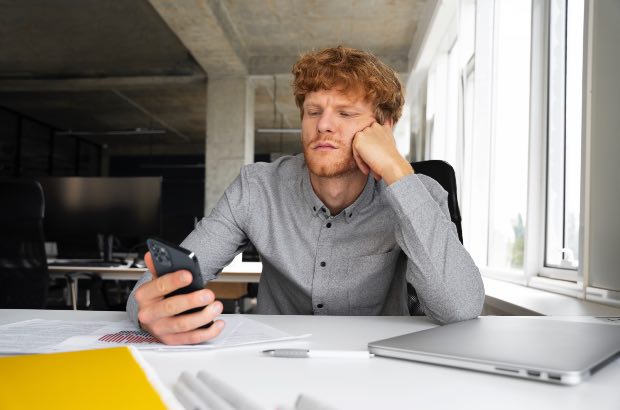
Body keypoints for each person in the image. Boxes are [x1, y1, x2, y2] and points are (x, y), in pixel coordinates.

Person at [127, 46, 485, 345]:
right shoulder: (257, 188)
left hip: (378, 365)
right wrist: (150, 313)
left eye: (345, 113)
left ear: (384, 128)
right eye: (313, 111)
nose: (323, 125)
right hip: (276, 361)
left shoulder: (420, 192)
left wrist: (396, 171)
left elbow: (460, 309)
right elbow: (151, 290)